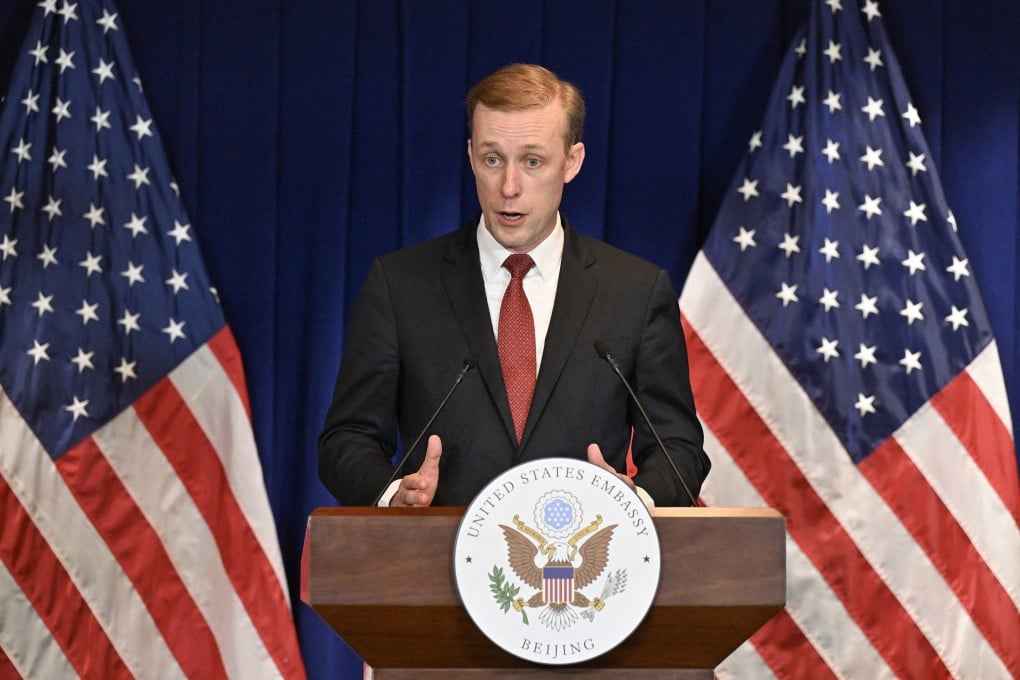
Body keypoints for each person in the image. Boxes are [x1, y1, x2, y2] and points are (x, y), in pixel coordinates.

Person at [318, 63, 709, 507]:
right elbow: (346, 439)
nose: (508, 186)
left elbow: (679, 449)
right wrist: (393, 495)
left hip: (586, 558)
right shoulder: (400, 285)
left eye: (532, 161)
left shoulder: (635, 291)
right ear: (470, 157)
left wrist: (635, 499)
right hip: (435, 562)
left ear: (572, 162)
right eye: (492, 159)